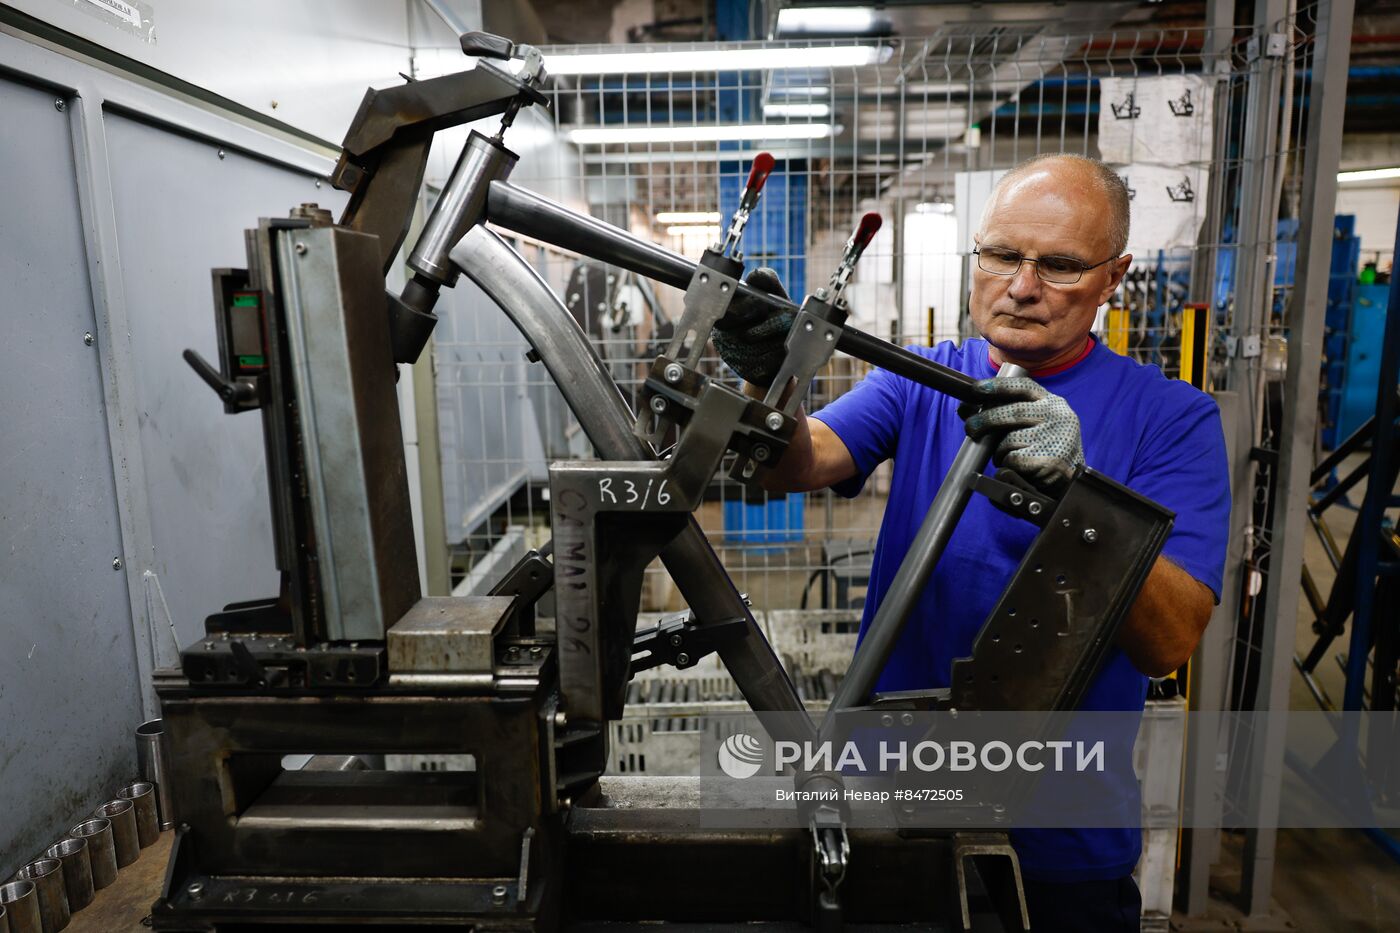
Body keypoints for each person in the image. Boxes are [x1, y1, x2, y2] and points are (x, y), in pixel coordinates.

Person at [712, 153, 1230, 932]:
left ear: (1113, 276)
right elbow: (799, 460)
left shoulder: (1173, 419)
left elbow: (1171, 638)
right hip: (894, 800)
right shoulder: (922, 378)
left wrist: (1077, 495)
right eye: (1002, 255)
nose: (1022, 286)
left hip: (1063, 829)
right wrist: (767, 383)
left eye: (1059, 265)